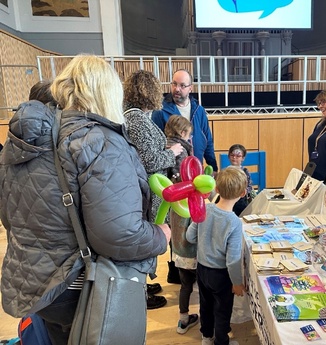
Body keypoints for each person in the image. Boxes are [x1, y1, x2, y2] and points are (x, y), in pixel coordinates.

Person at [0, 55, 171, 345]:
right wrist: (159, 235)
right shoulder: (99, 141)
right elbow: (118, 235)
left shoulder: (27, 139)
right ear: (108, 92)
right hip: (80, 285)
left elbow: (9, 213)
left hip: (36, 281)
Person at [123, 70, 183, 309]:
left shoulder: (136, 117)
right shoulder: (136, 120)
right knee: (147, 239)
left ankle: (144, 284)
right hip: (147, 191)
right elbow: (149, 162)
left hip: (147, 189)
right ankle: (141, 293)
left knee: (148, 238)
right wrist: (173, 152)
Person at [186, 166, 246, 345]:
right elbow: (233, 259)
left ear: (216, 189)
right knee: (222, 310)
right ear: (243, 194)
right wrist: (237, 283)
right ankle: (221, 341)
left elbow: (190, 236)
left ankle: (206, 337)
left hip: (202, 270)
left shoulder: (205, 208)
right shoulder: (234, 222)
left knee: (205, 305)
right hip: (221, 275)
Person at [164, 115, 199, 334]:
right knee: (202, 282)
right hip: (189, 233)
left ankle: (183, 319)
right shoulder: (183, 152)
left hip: (173, 225)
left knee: (185, 284)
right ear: (184, 133)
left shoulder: (162, 148)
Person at [151, 69, 218, 172]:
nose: (177, 89)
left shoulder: (199, 110)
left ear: (190, 88)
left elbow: (208, 141)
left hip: (196, 170)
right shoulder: (160, 111)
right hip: (172, 174)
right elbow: (155, 145)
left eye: (182, 85)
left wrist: (213, 167)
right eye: (174, 84)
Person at [226, 144, 256, 216]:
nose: (234, 158)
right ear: (228, 156)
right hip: (228, 198)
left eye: (238, 156)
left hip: (241, 199)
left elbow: (249, 186)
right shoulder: (226, 171)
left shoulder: (245, 171)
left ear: (243, 158)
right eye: (232, 155)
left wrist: (243, 192)